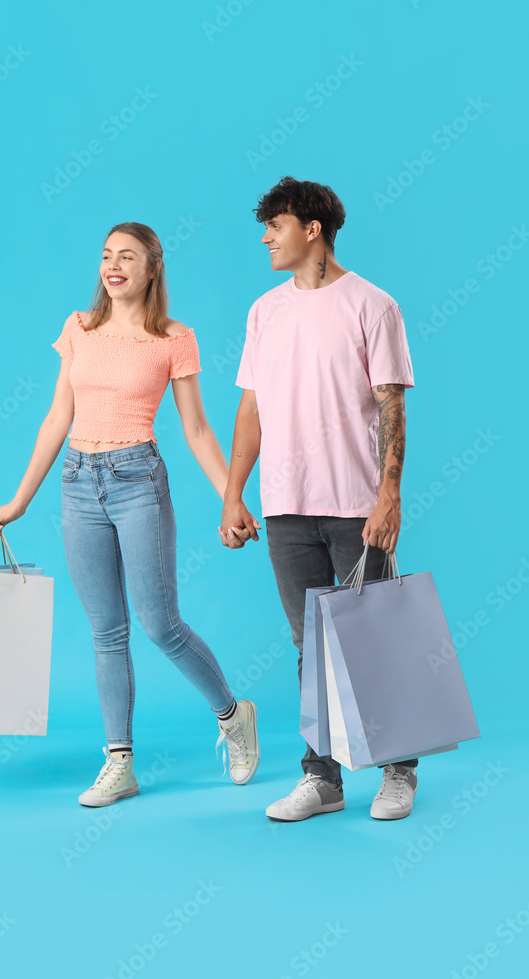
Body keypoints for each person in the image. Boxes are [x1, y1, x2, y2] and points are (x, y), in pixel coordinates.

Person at [0, 222, 260, 806]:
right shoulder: (78, 328)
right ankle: (119, 764)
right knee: (106, 631)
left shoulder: (173, 338)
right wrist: (20, 500)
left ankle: (234, 717)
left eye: (127, 257)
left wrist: (231, 497)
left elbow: (197, 428)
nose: (113, 266)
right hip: (78, 483)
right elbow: (58, 418)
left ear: (152, 267)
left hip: (137, 481)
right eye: (107, 256)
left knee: (160, 625)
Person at [219, 177, 417, 822]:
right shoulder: (263, 311)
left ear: (312, 229)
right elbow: (250, 408)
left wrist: (388, 494)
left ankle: (398, 770)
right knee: (311, 647)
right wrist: (233, 493)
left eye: (274, 225)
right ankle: (322, 778)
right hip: (285, 505)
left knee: (375, 639)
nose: (264, 237)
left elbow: (392, 404)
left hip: (358, 504)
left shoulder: (373, 305)